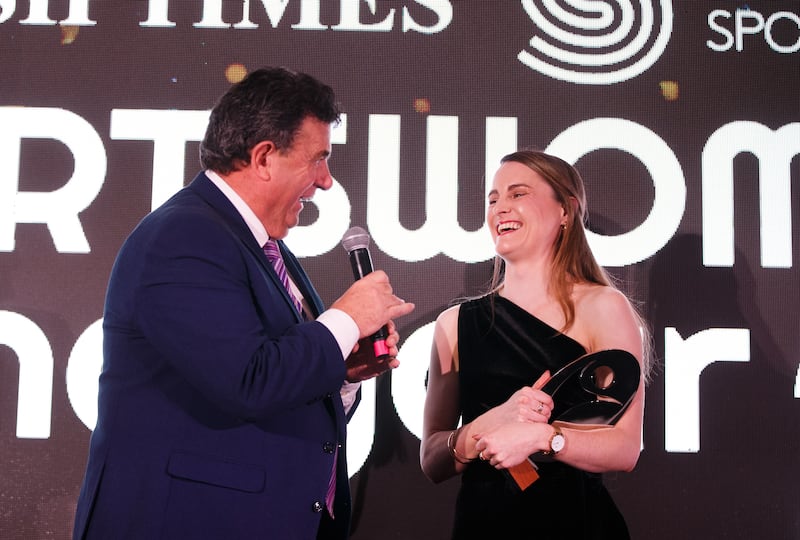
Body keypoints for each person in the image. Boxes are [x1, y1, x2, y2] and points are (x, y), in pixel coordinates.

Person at [72, 67, 415, 540]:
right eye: (318, 159)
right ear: (264, 157)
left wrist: (342, 369)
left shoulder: (263, 249)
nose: (327, 181)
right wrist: (347, 319)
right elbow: (247, 379)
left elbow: (272, 387)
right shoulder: (184, 236)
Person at [420, 150, 652, 539]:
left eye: (518, 194)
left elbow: (625, 449)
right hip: (485, 526)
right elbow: (432, 459)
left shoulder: (603, 308)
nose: (500, 208)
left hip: (577, 525)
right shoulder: (455, 324)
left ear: (566, 211)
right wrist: (485, 426)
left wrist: (543, 437)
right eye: (493, 199)